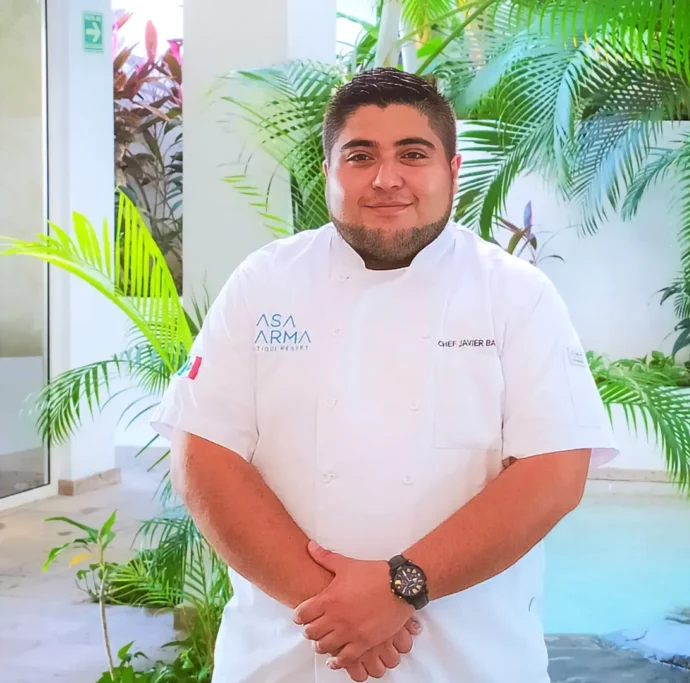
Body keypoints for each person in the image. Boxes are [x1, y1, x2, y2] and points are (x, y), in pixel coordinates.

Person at [152, 67, 618, 683]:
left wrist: (398, 589)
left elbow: (554, 474)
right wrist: (338, 611)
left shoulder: (515, 295)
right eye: (360, 155)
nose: (386, 177)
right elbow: (202, 460)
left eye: (413, 154)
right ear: (327, 173)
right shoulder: (264, 284)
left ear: (452, 170)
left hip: (466, 662)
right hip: (287, 656)